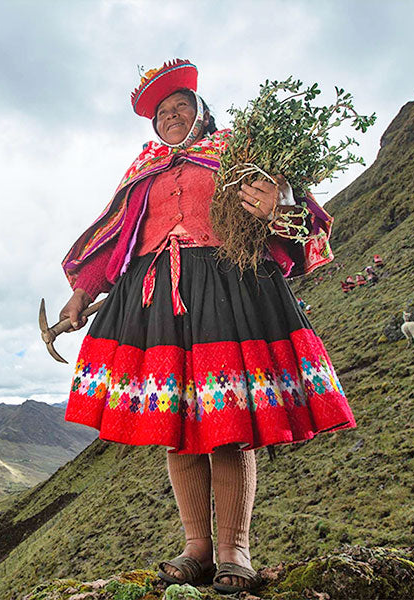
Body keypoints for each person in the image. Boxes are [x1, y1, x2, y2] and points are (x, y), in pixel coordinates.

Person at [58, 59, 355, 593]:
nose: (170, 117)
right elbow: (115, 240)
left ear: (202, 111)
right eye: (161, 114)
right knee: (179, 430)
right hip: (156, 300)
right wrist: (83, 291)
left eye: (180, 107)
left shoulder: (238, 154)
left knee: (228, 424)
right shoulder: (142, 172)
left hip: (229, 289)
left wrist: (275, 204)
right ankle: (197, 546)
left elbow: (297, 217)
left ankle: (234, 549)